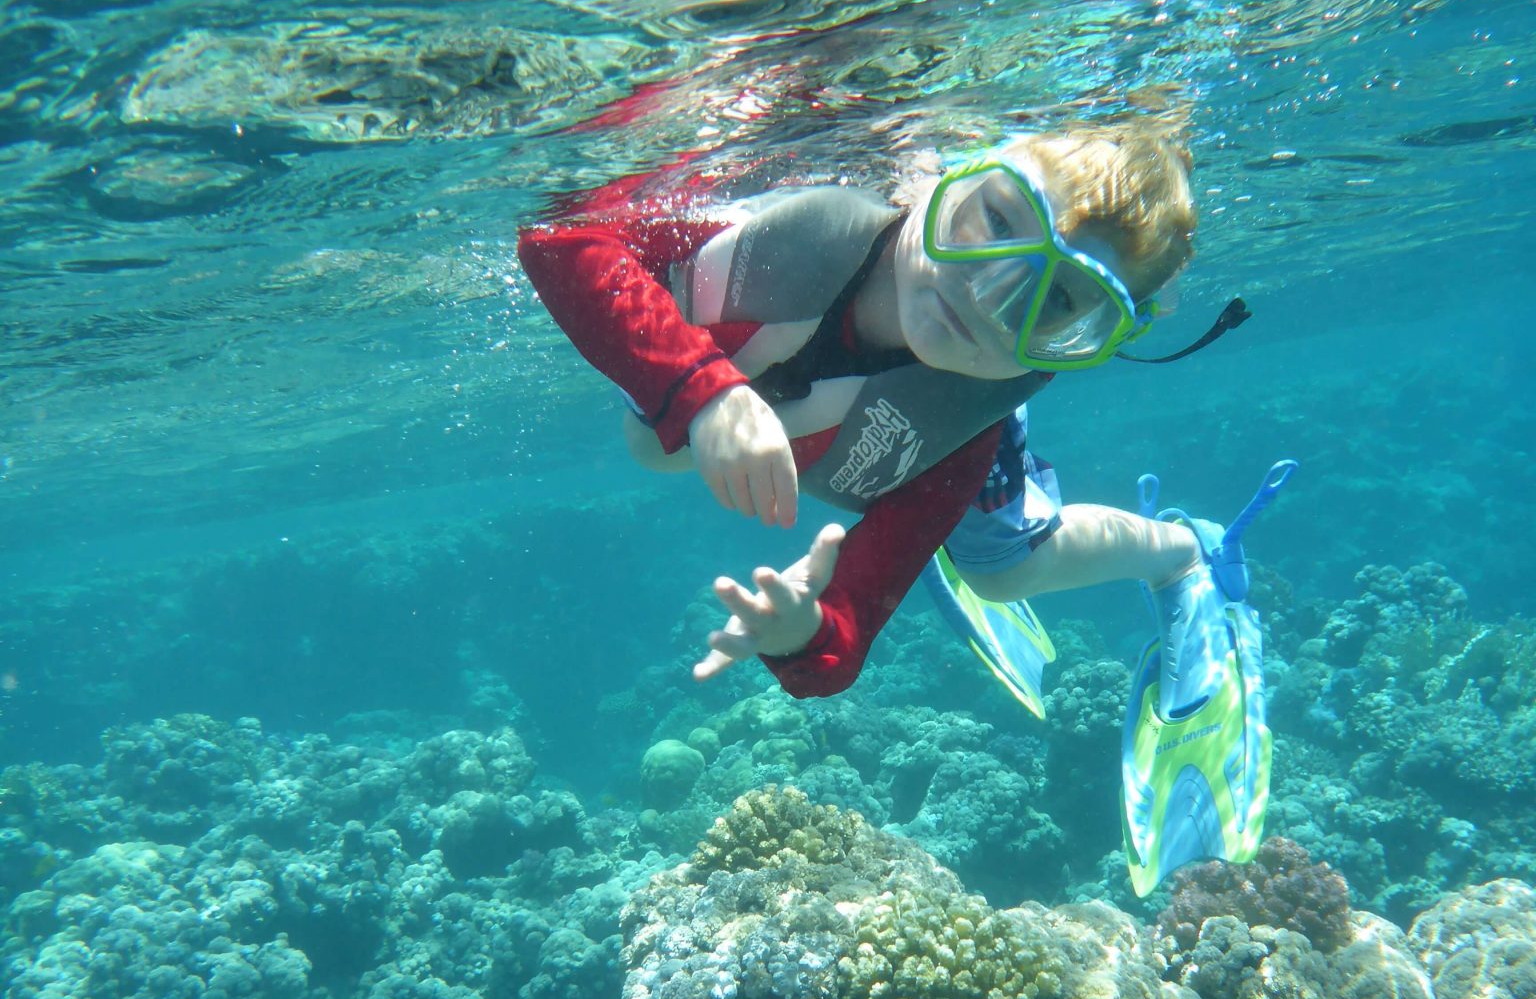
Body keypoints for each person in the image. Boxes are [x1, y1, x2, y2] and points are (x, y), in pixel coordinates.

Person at [517, 120, 1216, 699]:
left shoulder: (964, 436)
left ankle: (1181, 552)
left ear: (1086, 342)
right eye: (997, 219)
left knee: (1000, 570)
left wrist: (801, 633)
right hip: (742, 383)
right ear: (948, 176)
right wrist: (703, 388)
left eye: (1058, 301)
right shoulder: (775, 226)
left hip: (940, 434)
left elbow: (840, 644)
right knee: (654, 445)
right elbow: (558, 234)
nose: (987, 293)